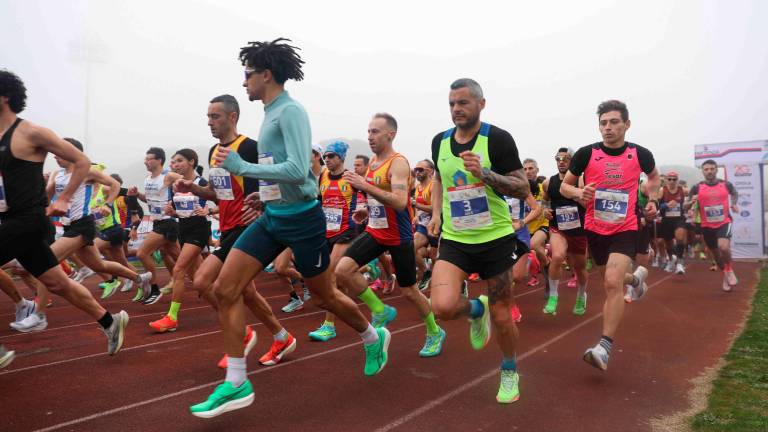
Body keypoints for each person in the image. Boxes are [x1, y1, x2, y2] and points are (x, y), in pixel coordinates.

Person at [189, 40, 388, 418]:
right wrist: (263, 196)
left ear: (266, 74)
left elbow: (299, 169)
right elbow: (280, 170)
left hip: (302, 221)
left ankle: (372, 336)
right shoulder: (269, 113)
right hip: (272, 218)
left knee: (325, 297)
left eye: (248, 73)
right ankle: (236, 382)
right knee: (224, 288)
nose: (244, 81)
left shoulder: (290, 112)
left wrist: (242, 168)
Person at [0, 69, 128, 355]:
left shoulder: (30, 132)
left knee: (75, 274)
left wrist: (65, 198)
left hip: (30, 221)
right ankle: (111, 322)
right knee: (58, 283)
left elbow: (82, 161)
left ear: (6, 96)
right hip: (14, 221)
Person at [172, 94, 296, 371]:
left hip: (248, 228)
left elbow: (271, 181)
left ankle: (240, 332)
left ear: (232, 117)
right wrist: (193, 189)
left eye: (215, 116)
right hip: (228, 227)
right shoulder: (215, 153)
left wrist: (262, 205)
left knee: (205, 282)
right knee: (247, 293)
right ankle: (281, 337)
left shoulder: (250, 147)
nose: (209, 122)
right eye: (207, 117)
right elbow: (218, 194)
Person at [428, 78, 530, 403]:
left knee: (503, 318)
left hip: (495, 239)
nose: (456, 109)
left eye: (463, 103)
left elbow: (522, 187)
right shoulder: (439, 142)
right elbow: (439, 181)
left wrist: (485, 173)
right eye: (452, 104)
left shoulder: (497, 139)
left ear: (480, 104)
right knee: (441, 307)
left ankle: (510, 369)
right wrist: (434, 214)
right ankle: (475, 309)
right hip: (456, 238)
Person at [559, 99, 659, 371]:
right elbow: (564, 187)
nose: (608, 127)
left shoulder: (640, 154)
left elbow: (653, 178)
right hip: (595, 228)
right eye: (603, 123)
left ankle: (604, 347)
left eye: (614, 122)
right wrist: (579, 193)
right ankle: (636, 280)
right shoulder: (586, 154)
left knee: (612, 284)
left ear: (627, 124)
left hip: (625, 227)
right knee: (609, 277)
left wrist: (652, 200)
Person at [335, 113, 445, 358]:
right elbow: (379, 196)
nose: (369, 136)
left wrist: (364, 186)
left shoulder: (399, 163)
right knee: (342, 270)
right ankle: (379, 309)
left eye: (375, 131)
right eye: (368, 131)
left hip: (399, 237)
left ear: (390, 134)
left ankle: (435, 331)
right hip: (376, 231)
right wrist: (367, 208)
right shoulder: (373, 160)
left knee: (409, 292)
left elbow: (398, 201)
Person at [149, 149, 211, 331]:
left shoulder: (201, 182)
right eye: (173, 162)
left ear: (191, 162)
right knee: (198, 278)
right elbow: (176, 209)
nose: (174, 165)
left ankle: (172, 317)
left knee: (178, 269)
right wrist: (172, 211)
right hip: (183, 228)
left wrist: (209, 211)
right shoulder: (174, 186)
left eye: (179, 161)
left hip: (198, 229)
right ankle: (225, 303)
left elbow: (222, 200)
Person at [308, 140, 360, 341]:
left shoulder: (351, 178)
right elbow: (320, 202)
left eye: (331, 156)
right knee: (340, 280)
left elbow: (364, 199)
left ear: (341, 158)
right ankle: (373, 308)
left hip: (346, 231)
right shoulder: (322, 176)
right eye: (326, 156)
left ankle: (329, 325)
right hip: (327, 232)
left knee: (330, 277)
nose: (327, 160)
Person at [129, 147, 182, 304]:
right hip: (158, 221)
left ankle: (153, 289)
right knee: (181, 260)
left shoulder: (168, 176)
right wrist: (137, 195)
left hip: (168, 222)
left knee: (141, 253)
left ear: (159, 160)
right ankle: (206, 281)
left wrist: (176, 202)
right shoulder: (147, 179)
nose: (145, 161)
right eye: (145, 159)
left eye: (149, 158)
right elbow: (149, 200)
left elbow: (191, 183)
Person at [541, 147, 589, 315]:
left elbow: (588, 204)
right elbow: (544, 201)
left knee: (579, 267)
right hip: (557, 228)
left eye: (565, 159)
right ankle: (553, 296)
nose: (561, 162)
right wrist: (544, 210)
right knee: (558, 256)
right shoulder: (548, 182)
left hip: (578, 230)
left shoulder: (581, 180)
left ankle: (582, 294)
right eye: (558, 159)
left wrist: (575, 195)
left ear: (572, 161)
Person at [684, 159, 739, 291]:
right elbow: (685, 207)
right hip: (707, 225)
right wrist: (690, 202)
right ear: (702, 171)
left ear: (716, 170)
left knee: (723, 247)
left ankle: (729, 269)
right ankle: (725, 275)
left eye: (712, 169)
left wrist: (733, 203)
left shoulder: (726, 184)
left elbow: (734, 193)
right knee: (716, 254)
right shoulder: (697, 187)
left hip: (724, 222)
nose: (709, 171)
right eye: (706, 169)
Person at [412, 159, 438, 290]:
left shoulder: (434, 185)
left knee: (435, 257)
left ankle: (455, 285)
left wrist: (416, 205)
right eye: (416, 169)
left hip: (436, 225)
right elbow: (418, 207)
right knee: (409, 247)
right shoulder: (418, 187)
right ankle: (425, 270)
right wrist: (416, 216)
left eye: (421, 169)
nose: (417, 172)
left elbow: (435, 208)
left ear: (431, 171)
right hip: (423, 225)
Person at [658, 171, 688, 274]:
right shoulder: (662, 190)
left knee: (680, 237)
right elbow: (655, 204)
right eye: (669, 179)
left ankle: (680, 262)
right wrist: (665, 205)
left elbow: (690, 200)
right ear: (666, 180)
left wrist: (690, 203)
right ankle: (671, 259)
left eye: (674, 179)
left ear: (677, 180)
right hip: (666, 220)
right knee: (668, 243)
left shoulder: (683, 190)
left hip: (678, 219)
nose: (672, 181)